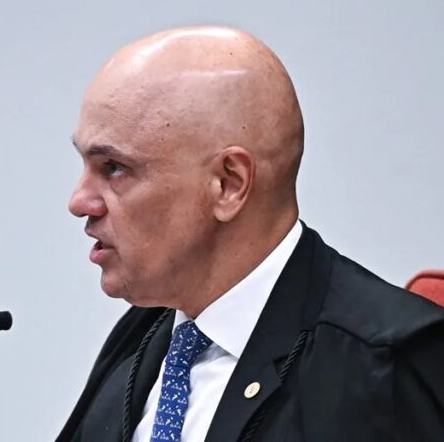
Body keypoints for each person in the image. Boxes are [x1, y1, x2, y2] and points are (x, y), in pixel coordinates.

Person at [57, 26, 444, 441]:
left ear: (228, 184)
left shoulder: (387, 367)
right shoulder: (141, 337)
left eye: (114, 168)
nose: (79, 201)